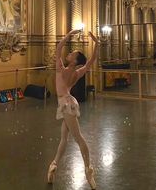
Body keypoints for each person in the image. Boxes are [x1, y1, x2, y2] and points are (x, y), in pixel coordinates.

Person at [47, 29, 99, 189]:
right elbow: (91, 61)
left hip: (66, 104)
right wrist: (96, 44)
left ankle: (88, 169)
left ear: (75, 60)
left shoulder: (60, 68)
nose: (69, 53)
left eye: (72, 53)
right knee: (64, 138)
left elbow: (58, 48)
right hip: (67, 103)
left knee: (79, 138)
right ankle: (54, 164)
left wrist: (69, 34)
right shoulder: (77, 72)